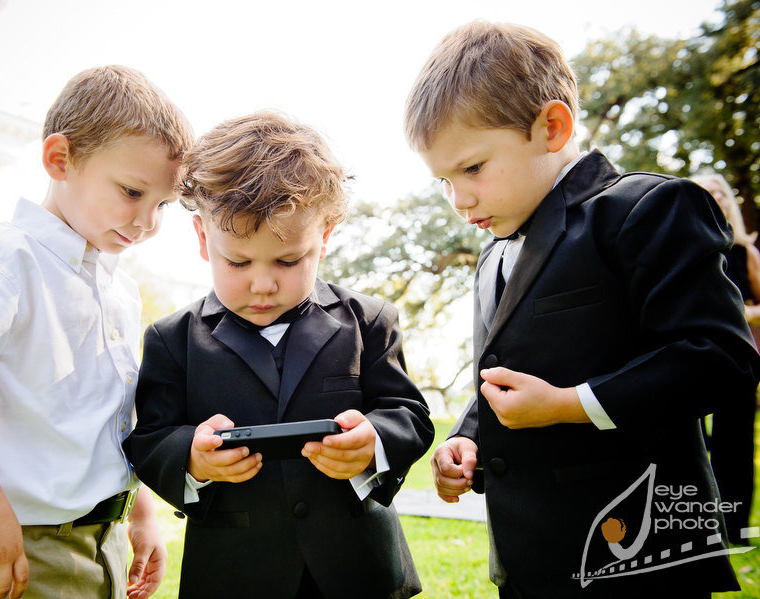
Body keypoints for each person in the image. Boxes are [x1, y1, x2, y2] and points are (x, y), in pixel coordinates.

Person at [404, 21, 760, 599]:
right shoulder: (493, 251)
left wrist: (573, 406)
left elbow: (720, 358)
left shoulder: (647, 209)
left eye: (472, 169)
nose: (459, 199)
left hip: (637, 557)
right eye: (443, 181)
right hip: (526, 561)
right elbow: (510, 370)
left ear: (552, 126)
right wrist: (470, 437)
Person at [0, 65, 193, 599]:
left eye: (162, 204)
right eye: (131, 191)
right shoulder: (1, 260)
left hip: (108, 540)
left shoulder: (118, 289)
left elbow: (111, 421)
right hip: (28, 545)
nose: (148, 222)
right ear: (60, 158)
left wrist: (140, 513)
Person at [123, 111, 434, 599]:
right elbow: (149, 439)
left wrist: (373, 440)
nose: (263, 283)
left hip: (359, 571)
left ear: (325, 237)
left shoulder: (368, 320)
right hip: (235, 575)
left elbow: (410, 415)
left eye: (289, 261)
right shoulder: (170, 338)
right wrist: (193, 458)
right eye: (239, 261)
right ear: (204, 240)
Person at [692, 172, 760, 541]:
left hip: (736, 355)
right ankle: (700, 524)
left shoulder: (744, 250)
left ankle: (735, 527)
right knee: (693, 440)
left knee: (735, 441)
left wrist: (738, 312)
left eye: (719, 192)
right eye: (706, 192)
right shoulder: (682, 246)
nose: (714, 197)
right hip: (689, 355)